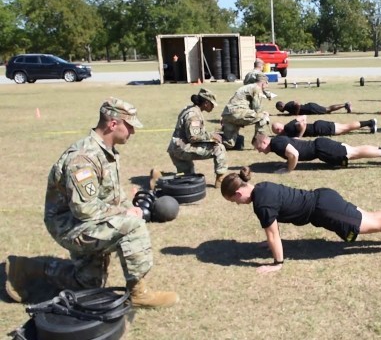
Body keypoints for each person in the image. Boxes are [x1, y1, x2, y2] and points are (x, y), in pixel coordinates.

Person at [5, 98, 179, 308]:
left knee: (89, 284)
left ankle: (26, 268)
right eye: (130, 126)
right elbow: (84, 208)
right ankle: (138, 293)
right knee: (133, 227)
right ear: (113, 124)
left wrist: (126, 207)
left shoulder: (106, 152)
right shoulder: (83, 159)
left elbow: (113, 193)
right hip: (70, 225)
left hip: (85, 221)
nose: (132, 132)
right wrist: (125, 215)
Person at [220, 167, 381, 273]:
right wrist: (270, 243)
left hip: (326, 209)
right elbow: (276, 221)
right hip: (323, 197)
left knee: (373, 224)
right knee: (372, 217)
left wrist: (278, 263)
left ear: (238, 194)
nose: (237, 204)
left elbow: (273, 233)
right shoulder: (262, 187)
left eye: (233, 201)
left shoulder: (261, 204)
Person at [166, 88, 228, 188]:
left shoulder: (190, 109)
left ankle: (159, 177)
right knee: (219, 148)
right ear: (206, 103)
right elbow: (194, 137)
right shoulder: (194, 115)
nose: (213, 107)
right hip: (182, 149)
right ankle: (220, 180)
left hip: (175, 149)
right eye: (212, 104)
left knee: (187, 179)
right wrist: (212, 136)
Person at [251, 133, 381, 172]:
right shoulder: (278, 140)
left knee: (355, 152)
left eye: (258, 148)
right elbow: (294, 140)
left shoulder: (276, 144)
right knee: (355, 151)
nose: (259, 151)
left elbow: (294, 154)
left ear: (264, 142)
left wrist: (288, 169)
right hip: (321, 147)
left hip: (322, 149)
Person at [221, 74, 271, 150]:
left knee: (229, 143)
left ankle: (211, 138)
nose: (268, 85)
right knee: (262, 117)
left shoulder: (248, 87)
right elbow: (257, 108)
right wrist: (264, 113)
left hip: (227, 114)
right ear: (263, 83)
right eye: (267, 82)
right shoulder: (257, 88)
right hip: (238, 112)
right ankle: (259, 144)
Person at [271, 115, 377, 137]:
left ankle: (370, 122)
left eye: (277, 132)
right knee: (345, 128)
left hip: (320, 128)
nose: (278, 134)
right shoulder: (289, 125)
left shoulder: (288, 128)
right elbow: (303, 117)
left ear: (279, 129)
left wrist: (299, 136)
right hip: (319, 125)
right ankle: (370, 124)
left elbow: (302, 123)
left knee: (346, 127)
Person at [275, 100, 351, 115]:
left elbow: (297, 104)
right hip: (310, 107)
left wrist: (297, 113)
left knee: (328, 110)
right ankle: (345, 105)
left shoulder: (287, 106)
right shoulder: (287, 107)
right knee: (327, 109)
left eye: (279, 109)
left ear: (281, 106)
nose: (279, 111)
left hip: (310, 108)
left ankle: (345, 105)